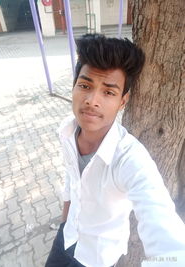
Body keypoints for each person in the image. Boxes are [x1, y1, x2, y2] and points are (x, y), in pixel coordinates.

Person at [45, 34, 185, 267]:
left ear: (123, 101)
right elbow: (72, 179)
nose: (92, 100)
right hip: (66, 236)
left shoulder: (130, 158)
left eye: (108, 92)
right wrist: (64, 222)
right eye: (85, 85)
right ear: (74, 87)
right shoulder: (67, 131)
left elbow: (164, 230)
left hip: (97, 256)